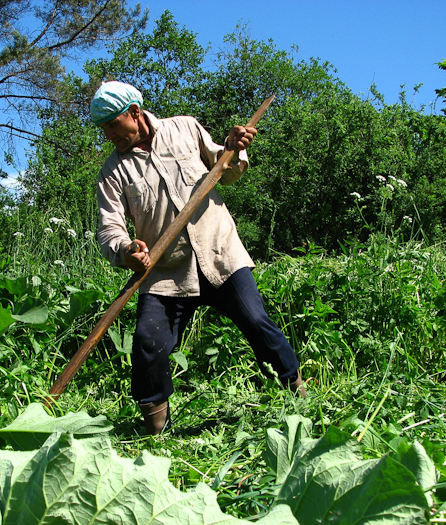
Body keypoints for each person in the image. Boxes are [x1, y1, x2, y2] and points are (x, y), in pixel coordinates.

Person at [91, 81, 305, 435]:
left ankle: (298, 393)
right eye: (104, 129)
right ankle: (155, 428)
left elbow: (229, 171)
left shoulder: (185, 129)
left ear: (134, 113)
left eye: (113, 125)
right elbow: (109, 228)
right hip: (165, 271)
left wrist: (234, 150)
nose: (108, 135)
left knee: (256, 321)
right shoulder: (113, 173)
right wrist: (127, 251)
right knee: (148, 341)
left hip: (219, 253)